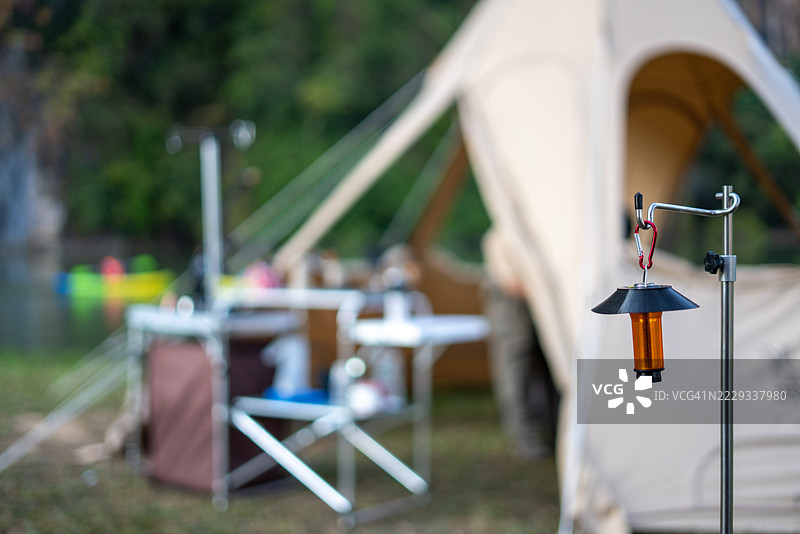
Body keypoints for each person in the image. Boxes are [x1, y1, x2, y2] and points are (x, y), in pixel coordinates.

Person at [482, 228, 556, 460]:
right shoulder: (500, 236)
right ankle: (523, 434)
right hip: (513, 305)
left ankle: (557, 430)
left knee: (553, 364)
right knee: (516, 367)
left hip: (544, 301)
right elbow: (510, 283)